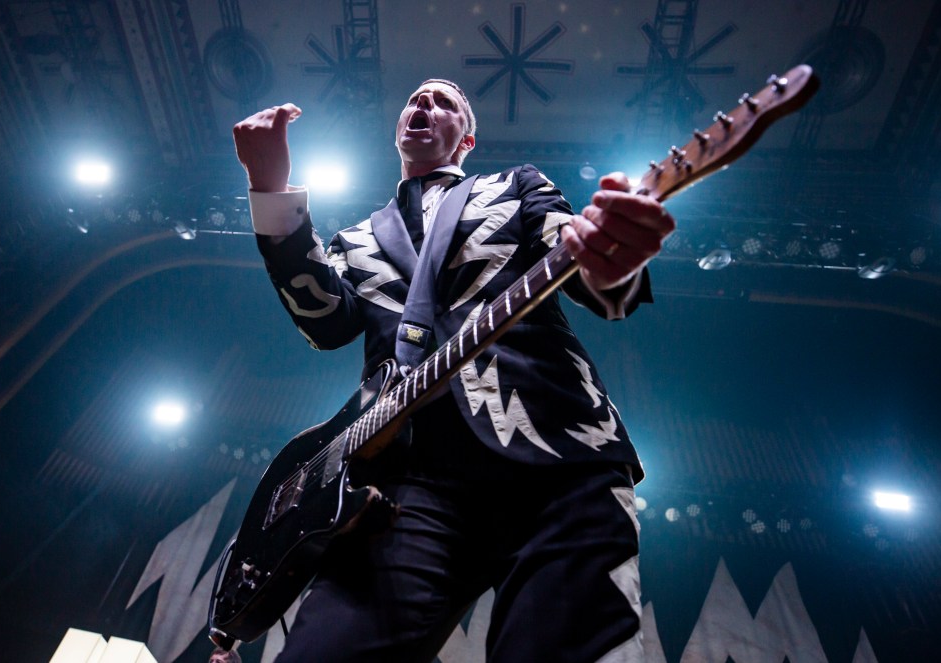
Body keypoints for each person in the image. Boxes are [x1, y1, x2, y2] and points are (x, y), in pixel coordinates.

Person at [232, 79, 674, 662]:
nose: (424, 104)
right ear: (398, 130)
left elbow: (578, 257)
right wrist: (269, 188)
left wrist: (612, 256)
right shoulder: (355, 239)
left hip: (559, 450)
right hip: (401, 483)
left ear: (466, 140)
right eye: (415, 98)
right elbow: (325, 322)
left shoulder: (517, 186)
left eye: (444, 102)